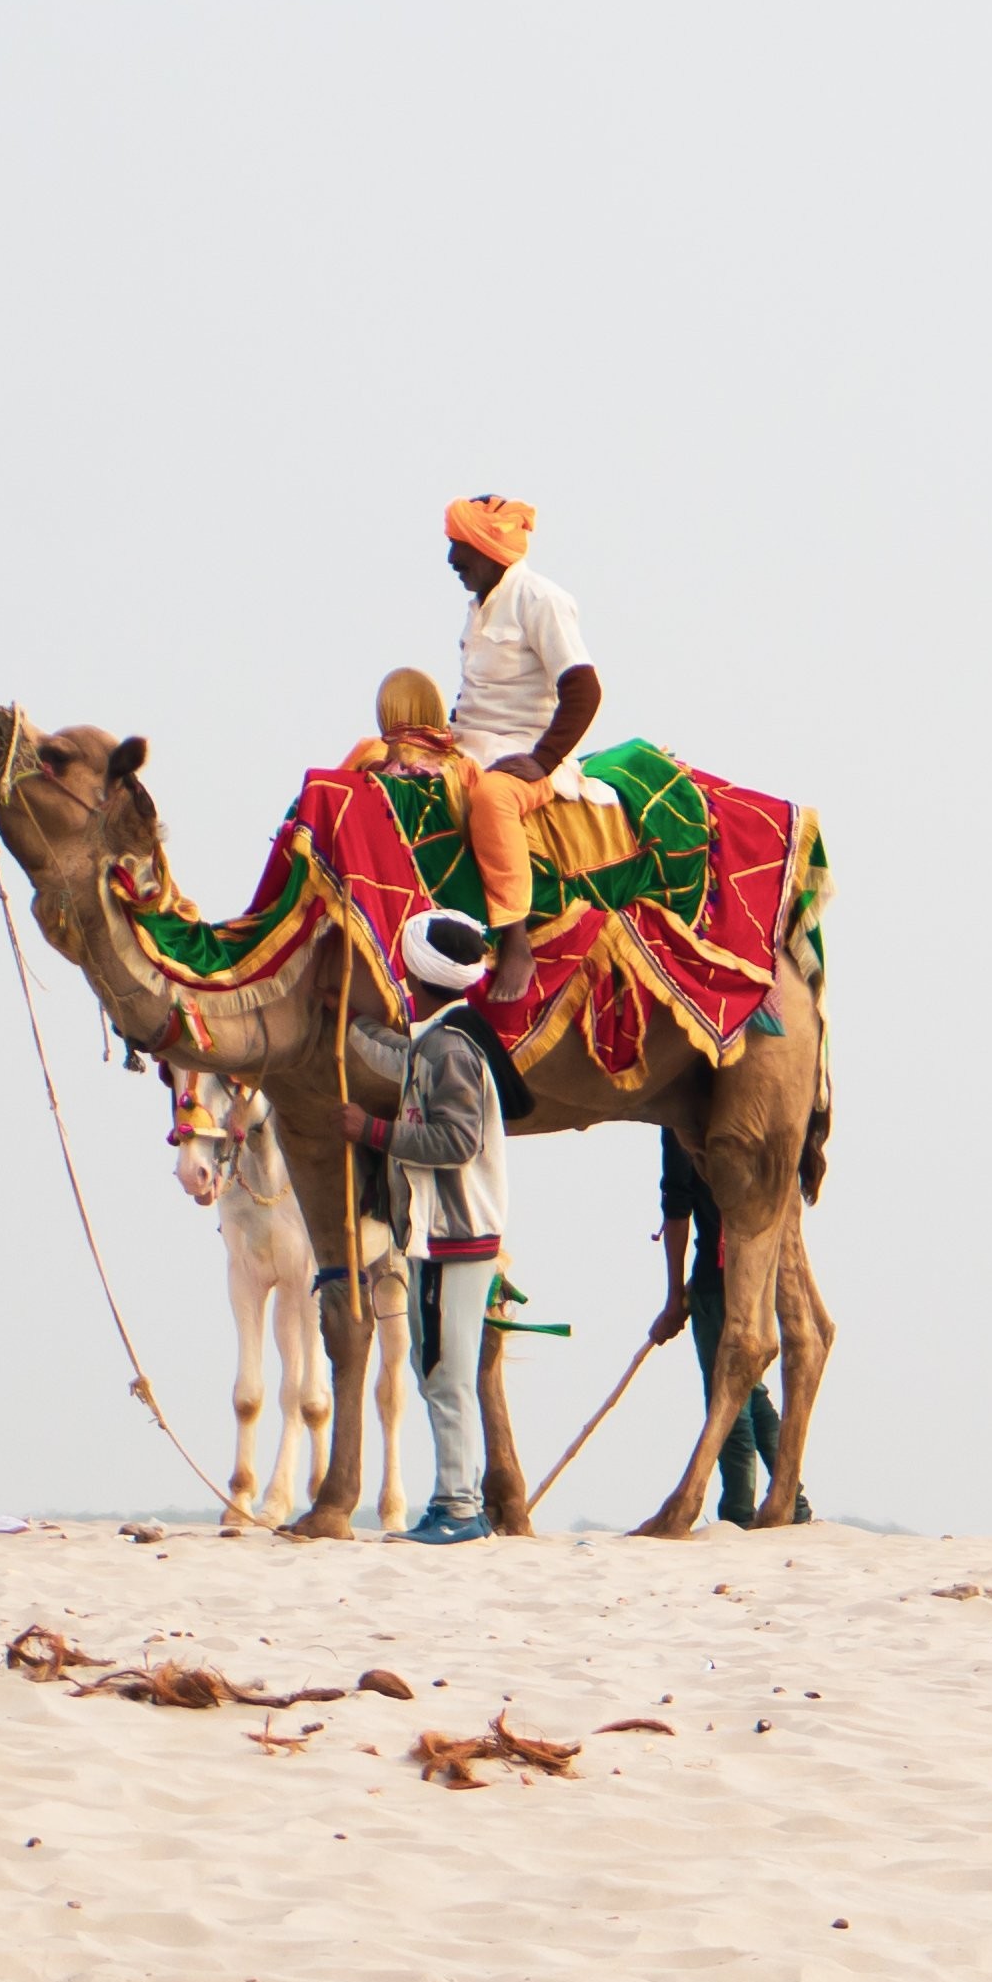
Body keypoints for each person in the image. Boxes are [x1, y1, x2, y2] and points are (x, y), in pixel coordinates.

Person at [342, 904, 510, 1544]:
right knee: (438, 1370)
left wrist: (373, 1131)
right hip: (442, 1234)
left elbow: (458, 1140)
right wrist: (352, 1029)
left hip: (455, 1236)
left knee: (446, 1376)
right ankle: (458, 1498)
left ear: (414, 977)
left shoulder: (451, 1048)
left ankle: (459, 1507)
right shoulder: (440, 1040)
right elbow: (403, 1059)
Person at [438, 496, 599, 931]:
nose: (452, 559)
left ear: (489, 547)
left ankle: (513, 937)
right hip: (468, 748)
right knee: (375, 757)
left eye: (460, 545)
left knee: (492, 798)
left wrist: (543, 761)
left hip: (522, 755)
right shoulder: (478, 606)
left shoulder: (540, 599)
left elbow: (584, 690)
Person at [652, 1125, 778, 1527]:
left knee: (728, 1399)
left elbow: (677, 1207)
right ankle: (794, 1498)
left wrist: (674, 1298)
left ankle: (738, 1512)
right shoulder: (754, 1119)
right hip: (759, 1276)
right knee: (751, 1392)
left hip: (717, 1280)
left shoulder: (681, 1123)